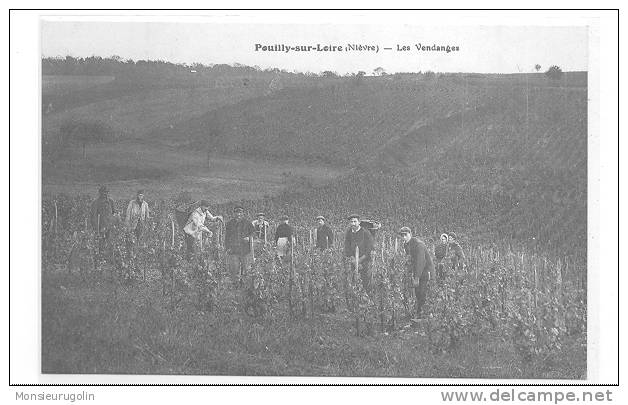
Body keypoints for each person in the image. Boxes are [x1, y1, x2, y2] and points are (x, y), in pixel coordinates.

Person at [399, 227, 434, 319]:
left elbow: (420, 262)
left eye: (405, 235)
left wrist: (417, 277)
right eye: (402, 235)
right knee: (417, 292)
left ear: (410, 234)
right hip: (417, 270)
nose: (404, 237)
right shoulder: (406, 245)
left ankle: (426, 314)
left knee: (422, 292)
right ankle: (419, 313)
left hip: (426, 270)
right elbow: (410, 260)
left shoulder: (418, 245)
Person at [343, 214, 375, 294]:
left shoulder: (365, 233)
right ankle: (355, 295)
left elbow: (369, 248)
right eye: (351, 222)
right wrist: (353, 259)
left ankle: (365, 296)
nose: (353, 223)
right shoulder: (349, 233)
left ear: (359, 222)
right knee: (353, 278)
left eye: (355, 221)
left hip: (364, 260)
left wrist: (360, 260)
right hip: (353, 260)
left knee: (364, 280)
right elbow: (347, 247)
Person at [225, 206, 255, 285]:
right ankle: (236, 285)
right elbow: (227, 237)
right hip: (233, 250)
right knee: (234, 269)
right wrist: (227, 248)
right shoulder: (230, 223)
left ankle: (245, 285)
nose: (238, 214)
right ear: (234, 213)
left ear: (243, 213)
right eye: (237, 213)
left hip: (245, 249)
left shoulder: (248, 223)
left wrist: (249, 238)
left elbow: (253, 233)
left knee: (246, 269)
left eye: (240, 213)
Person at [90, 185, 116, 261]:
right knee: (101, 243)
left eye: (106, 192)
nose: (105, 194)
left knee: (110, 243)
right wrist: (96, 229)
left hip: (110, 226)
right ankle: (100, 259)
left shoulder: (111, 201)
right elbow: (93, 217)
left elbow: (114, 213)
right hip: (100, 226)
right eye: (103, 192)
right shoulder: (96, 202)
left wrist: (114, 223)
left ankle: (109, 259)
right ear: (100, 193)